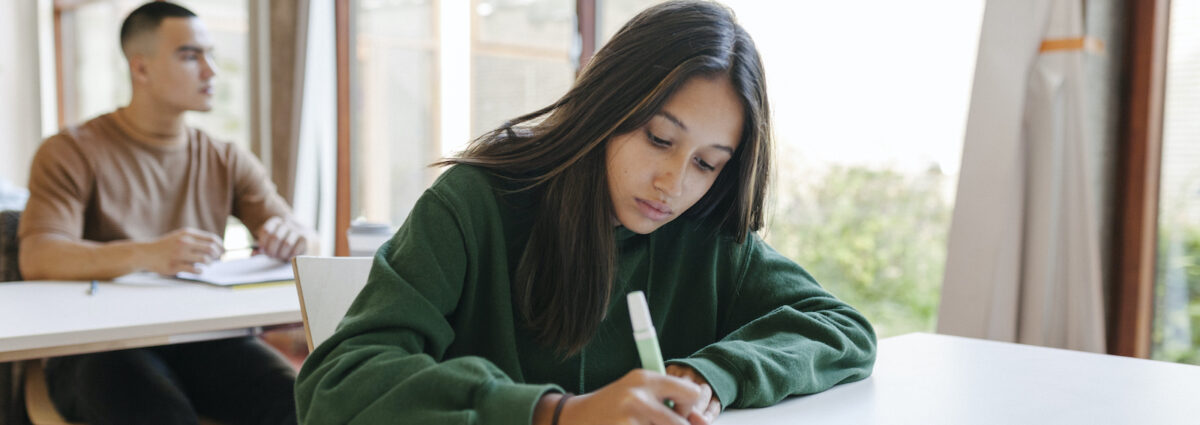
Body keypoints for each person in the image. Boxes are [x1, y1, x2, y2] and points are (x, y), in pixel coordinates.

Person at [296, 1, 876, 424]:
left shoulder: (706, 236)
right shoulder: (477, 203)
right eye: (658, 138)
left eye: (707, 163)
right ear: (608, 105)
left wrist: (709, 376)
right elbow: (337, 383)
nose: (673, 183)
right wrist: (553, 414)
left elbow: (842, 329)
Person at [18, 2, 311, 424]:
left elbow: (303, 235)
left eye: (210, 55)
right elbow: (39, 255)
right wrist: (147, 253)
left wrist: (294, 235)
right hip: (98, 346)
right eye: (191, 56)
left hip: (202, 338)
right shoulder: (70, 151)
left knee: (303, 404)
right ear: (141, 69)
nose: (211, 71)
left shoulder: (225, 158)